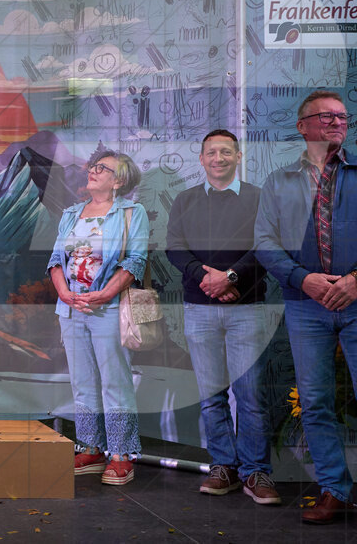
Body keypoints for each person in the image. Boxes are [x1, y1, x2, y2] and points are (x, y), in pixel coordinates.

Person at [255, 89, 357, 524]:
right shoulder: (279, 181)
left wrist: (355, 281)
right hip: (305, 306)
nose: (337, 122)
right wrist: (304, 280)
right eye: (326, 116)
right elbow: (264, 242)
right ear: (303, 127)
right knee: (314, 402)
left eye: (342, 116)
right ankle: (335, 490)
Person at [166, 129, 280, 505]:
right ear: (201, 159)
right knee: (211, 396)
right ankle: (224, 468)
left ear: (238, 156)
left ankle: (255, 472)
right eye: (211, 152)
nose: (218, 158)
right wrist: (207, 278)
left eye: (226, 152)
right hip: (199, 310)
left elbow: (266, 248)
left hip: (247, 310)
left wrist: (230, 278)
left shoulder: (259, 198)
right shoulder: (184, 200)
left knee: (250, 396)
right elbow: (175, 249)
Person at [47, 150, 147, 485]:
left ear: (118, 180)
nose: (92, 171)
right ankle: (91, 447)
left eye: (102, 168)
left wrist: (104, 295)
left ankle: (121, 455)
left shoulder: (133, 213)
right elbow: (56, 260)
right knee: (82, 383)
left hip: (107, 308)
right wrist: (64, 293)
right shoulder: (71, 213)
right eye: (93, 166)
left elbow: (134, 261)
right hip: (71, 309)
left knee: (115, 382)